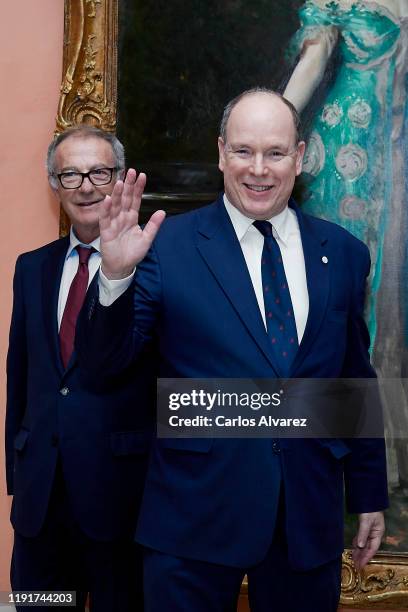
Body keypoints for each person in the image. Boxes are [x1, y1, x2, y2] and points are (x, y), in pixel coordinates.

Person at [77, 90, 388, 612]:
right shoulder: (165, 248)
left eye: (275, 152)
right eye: (243, 151)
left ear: (301, 155)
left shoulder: (345, 254)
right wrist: (114, 276)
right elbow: (103, 367)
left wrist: (369, 492)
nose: (259, 169)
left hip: (305, 519)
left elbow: (353, 379)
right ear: (220, 153)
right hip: (192, 519)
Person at [5, 126, 154, 611]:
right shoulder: (31, 268)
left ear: (120, 179)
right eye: (70, 174)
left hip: (119, 505)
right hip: (41, 508)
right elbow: (21, 378)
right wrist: (18, 476)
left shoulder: (157, 268)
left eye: (99, 172)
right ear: (55, 184)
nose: (86, 186)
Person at [283, 0, 408, 490]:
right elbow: (313, 62)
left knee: (388, 292)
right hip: (347, 151)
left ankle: (378, 458)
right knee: (336, 293)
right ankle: (318, 448)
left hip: (398, 150)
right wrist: (270, 133)